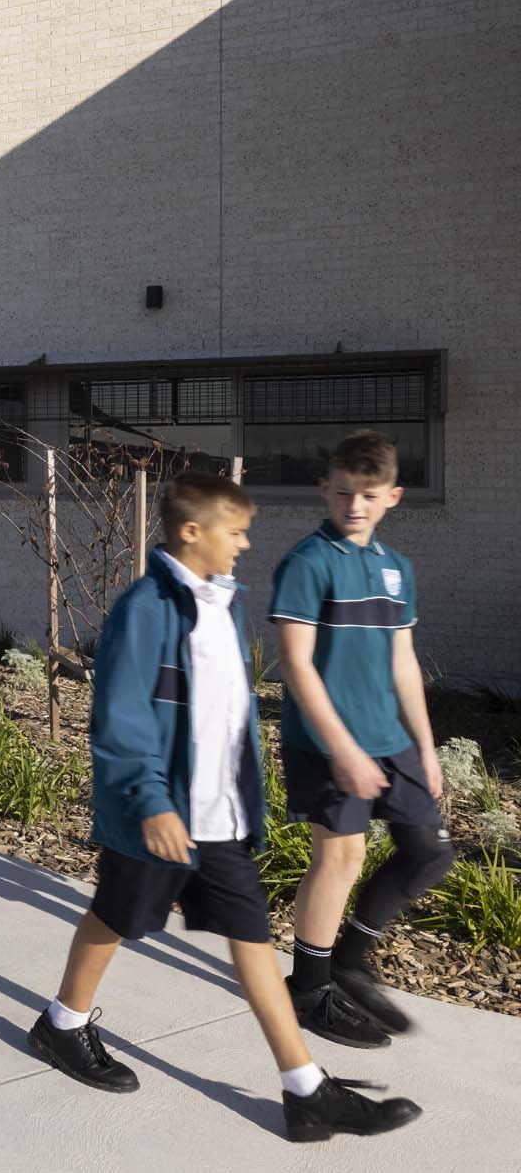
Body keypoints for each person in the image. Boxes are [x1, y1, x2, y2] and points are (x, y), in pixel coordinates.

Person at [28, 471, 420, 1143]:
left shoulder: (224, 605)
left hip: (219, 820)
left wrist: (243, 805)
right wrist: (152, 803)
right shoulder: (145, 608)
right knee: (114, 917)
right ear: (191, 531)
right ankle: (62, 1024)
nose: (243, 545)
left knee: (254, 944)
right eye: (234, 532)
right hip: (160, 815)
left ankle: (306, 1090)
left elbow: (225, 718)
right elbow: (122, 721)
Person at [271, 430, 452, 1043]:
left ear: (392, 497)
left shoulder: (396, 568)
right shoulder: (307, 562)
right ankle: (308, 988)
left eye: (368, 495)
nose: (354, 506)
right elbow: (295, 664)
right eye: (343, 493)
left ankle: (349, 960)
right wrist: (343, 748)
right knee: (341, 857)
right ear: (326, 489)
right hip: (327, 741)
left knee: (428, 852)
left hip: (389, 736)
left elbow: (404, 660)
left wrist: (425, 747)